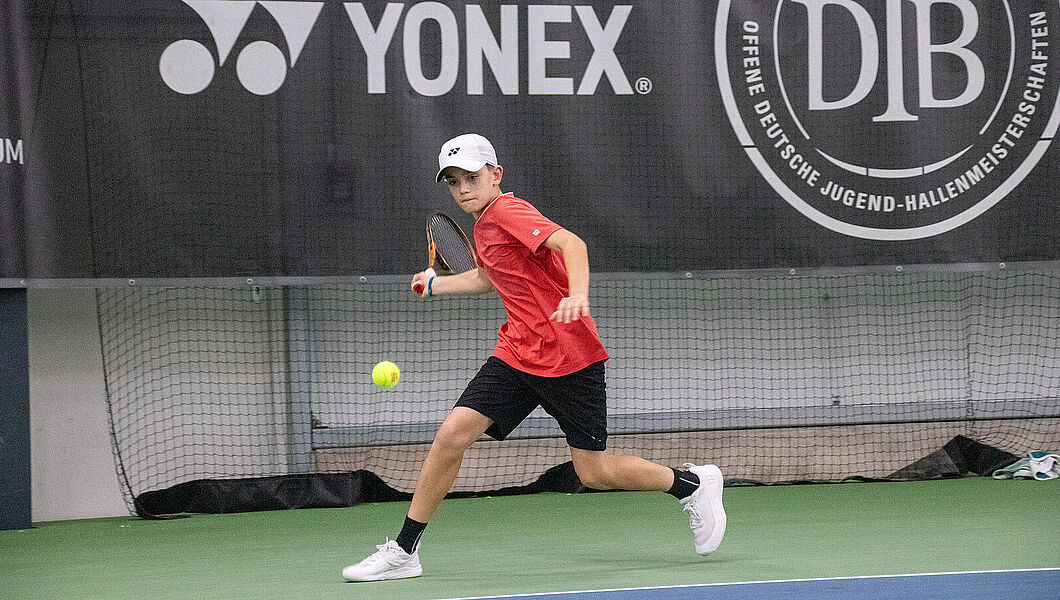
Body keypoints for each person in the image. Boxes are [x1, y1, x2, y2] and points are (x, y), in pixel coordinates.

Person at [342, 133, 726, 582]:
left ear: (495, 175)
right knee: (451, 436)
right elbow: (487, 279)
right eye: (453, 181)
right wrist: (435, 284)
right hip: (518, 353)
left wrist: (577, 295)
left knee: (595, 472)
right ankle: (405, 550)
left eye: (471, 177)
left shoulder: (508, 211)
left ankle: (692, 484)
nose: (463, 188)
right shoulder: (483, 225)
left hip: (568, 356)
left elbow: (573, 245)